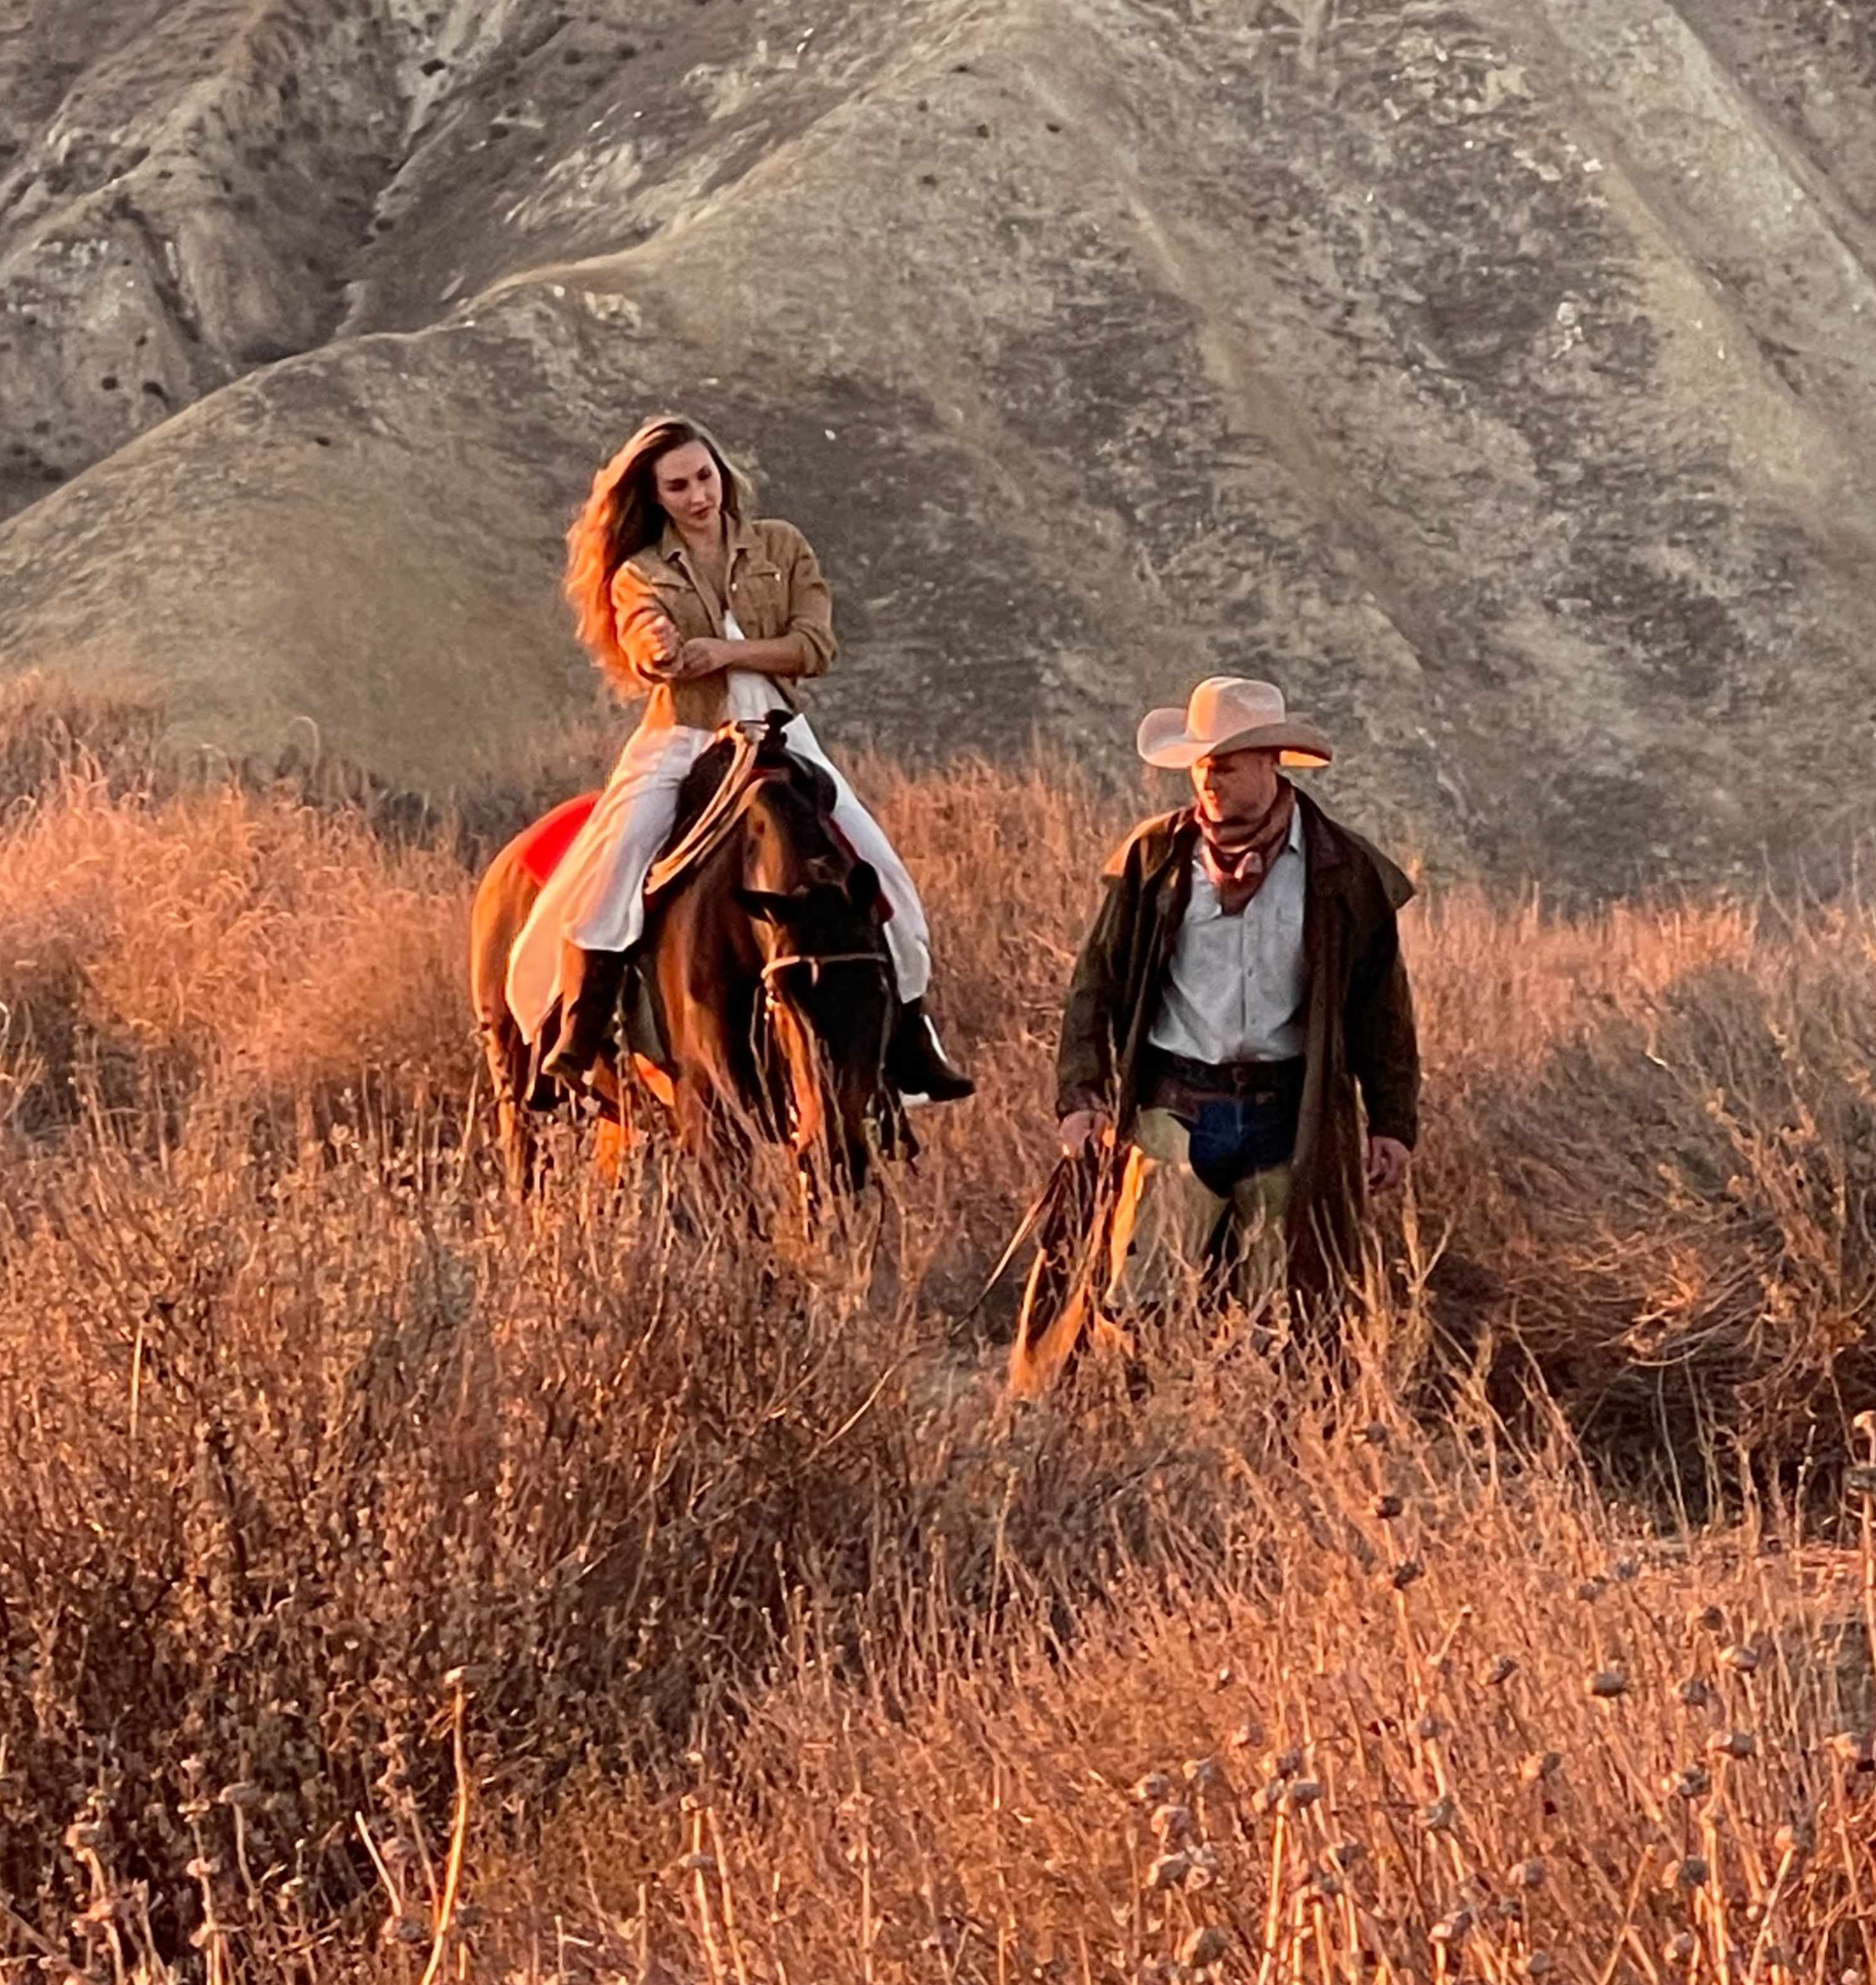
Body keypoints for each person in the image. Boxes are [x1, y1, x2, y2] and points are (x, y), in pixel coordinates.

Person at [507, 413, 972, 1106]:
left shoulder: (782, 547)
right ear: (654, 497)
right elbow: (643, 638)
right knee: (613, 864)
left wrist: (725, 652)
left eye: (704, 476)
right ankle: (581, 1026)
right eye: (678, 486)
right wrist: (660, 647)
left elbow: (814, 646)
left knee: (886, 881)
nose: (698, 495)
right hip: (684, 739)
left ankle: (908, 1037)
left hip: (782, 734)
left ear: (721, 472)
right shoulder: (640, 571)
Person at [1053, 674, 1417, 1314]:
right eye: (1200, 767)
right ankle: (1131, 1410)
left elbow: (1381, 1009)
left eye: (1223, 766)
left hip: (1290, 1114)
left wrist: (1392, 1123)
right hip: (1176, 1106)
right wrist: (1082, 1093)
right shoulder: (1156, 857)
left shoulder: (1343, 869)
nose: (1207, 783)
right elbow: (1096, 983)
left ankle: (1263, 1414)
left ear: (1270, 764)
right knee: (1138, 1301)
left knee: (1285, 1313)